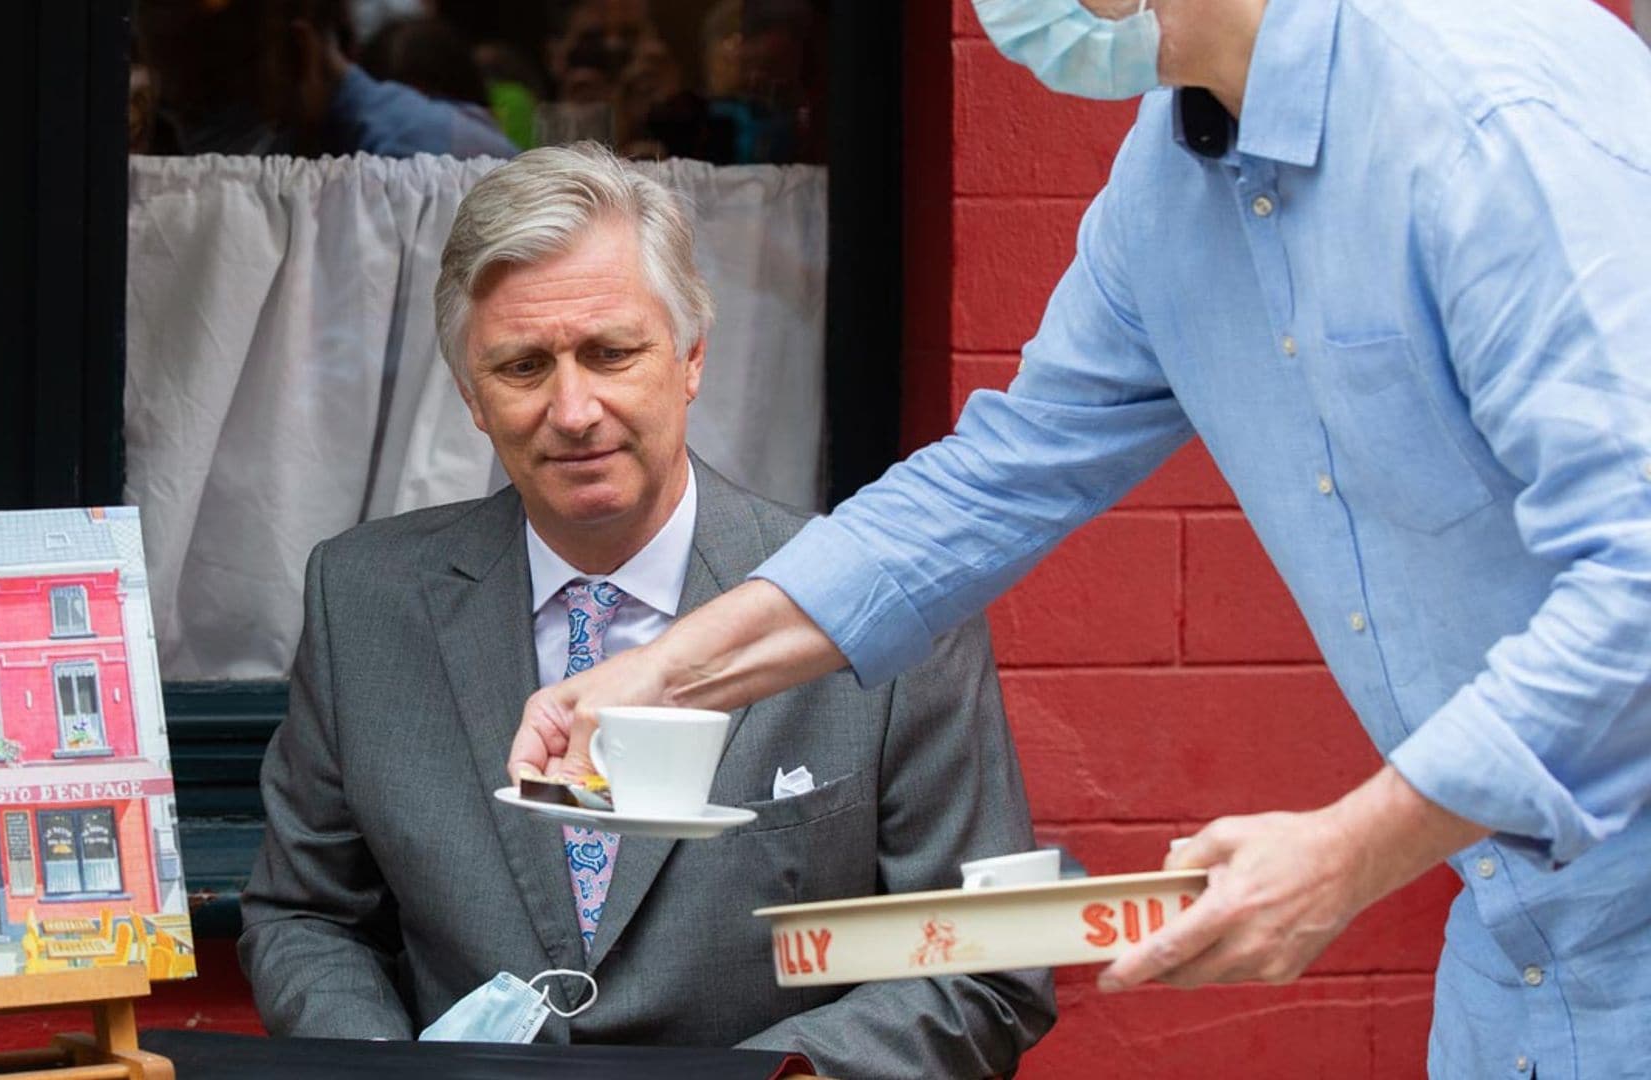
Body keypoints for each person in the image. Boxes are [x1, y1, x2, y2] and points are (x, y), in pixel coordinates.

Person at [507, 1, 1651, 1076]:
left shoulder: (1491, 120)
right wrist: (666, 675)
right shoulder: (1175, 178)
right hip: (1519, 938)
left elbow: (1638, 584)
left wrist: (1351, 851)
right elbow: (995, 481)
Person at [238, 142, 1054, 1076]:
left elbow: (988, 965)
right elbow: (308, 916)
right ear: (470, 396)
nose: (574, 407)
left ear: (693, 357)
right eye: (522, 366)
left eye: (610, 352)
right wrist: (391, 1067)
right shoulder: (365, 601)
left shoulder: (888, 608)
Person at [135, 0, 515, 159]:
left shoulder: (418, 164)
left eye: (215, 90)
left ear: (300, 53)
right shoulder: (303, 151)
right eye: (177, 102)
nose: (195, 124)